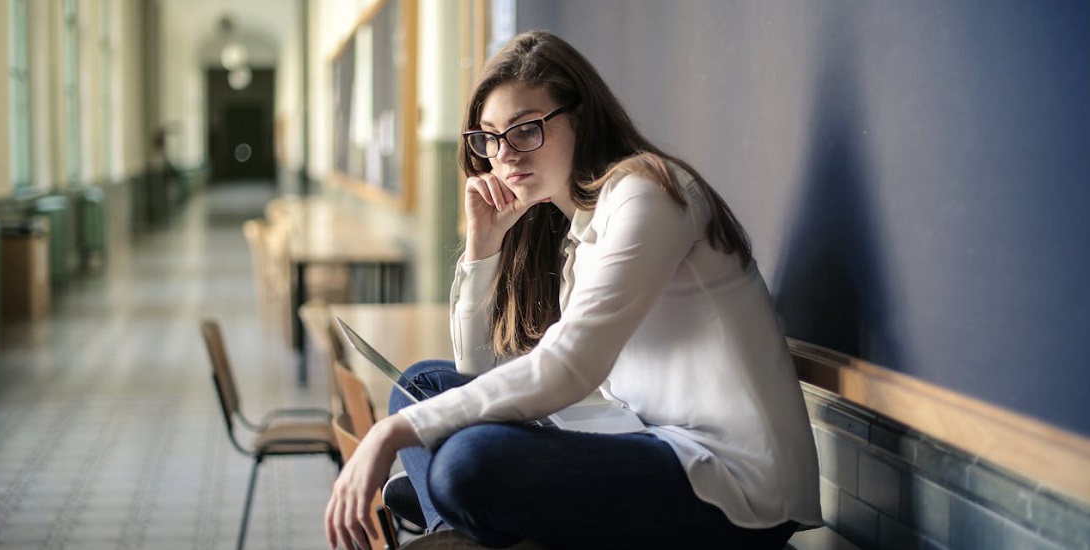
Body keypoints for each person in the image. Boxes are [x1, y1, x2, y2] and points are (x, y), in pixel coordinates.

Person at [325, 30, 821, 550]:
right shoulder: (578, 232)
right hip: (641, 439)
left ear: (581, 118)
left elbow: (571, 366)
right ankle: (455, 529)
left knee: (464, 464)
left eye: (526, 130)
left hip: (733, 486)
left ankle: (457, 518)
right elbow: (476, 372)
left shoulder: (648, 194)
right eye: (490, 138)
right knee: (421, 386)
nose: (505, 156)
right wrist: (483, 245)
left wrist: (392, 433)